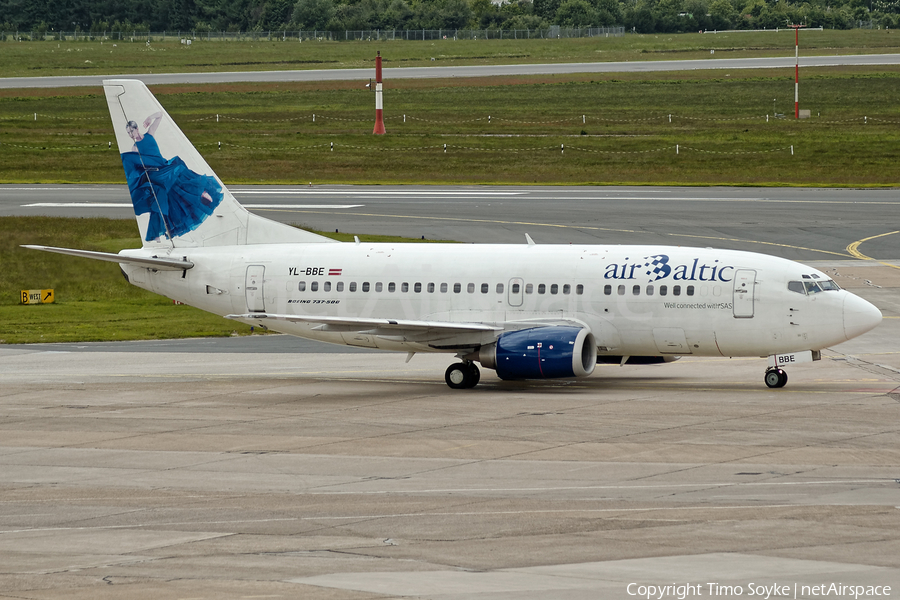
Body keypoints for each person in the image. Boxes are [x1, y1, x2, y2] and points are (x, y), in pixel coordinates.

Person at [121, 111, 223, 242]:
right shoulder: (134, 148)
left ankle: (199, 194)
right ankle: (200, 193)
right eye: (128, 133)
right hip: (155, 173)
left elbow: (160, 115)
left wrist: (150, 117)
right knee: (177, 170)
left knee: (176, 180)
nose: (130, 135)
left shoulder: (150, 134)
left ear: (136, 129)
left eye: (131, 131)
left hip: (164, 167)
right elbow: (137, 166)